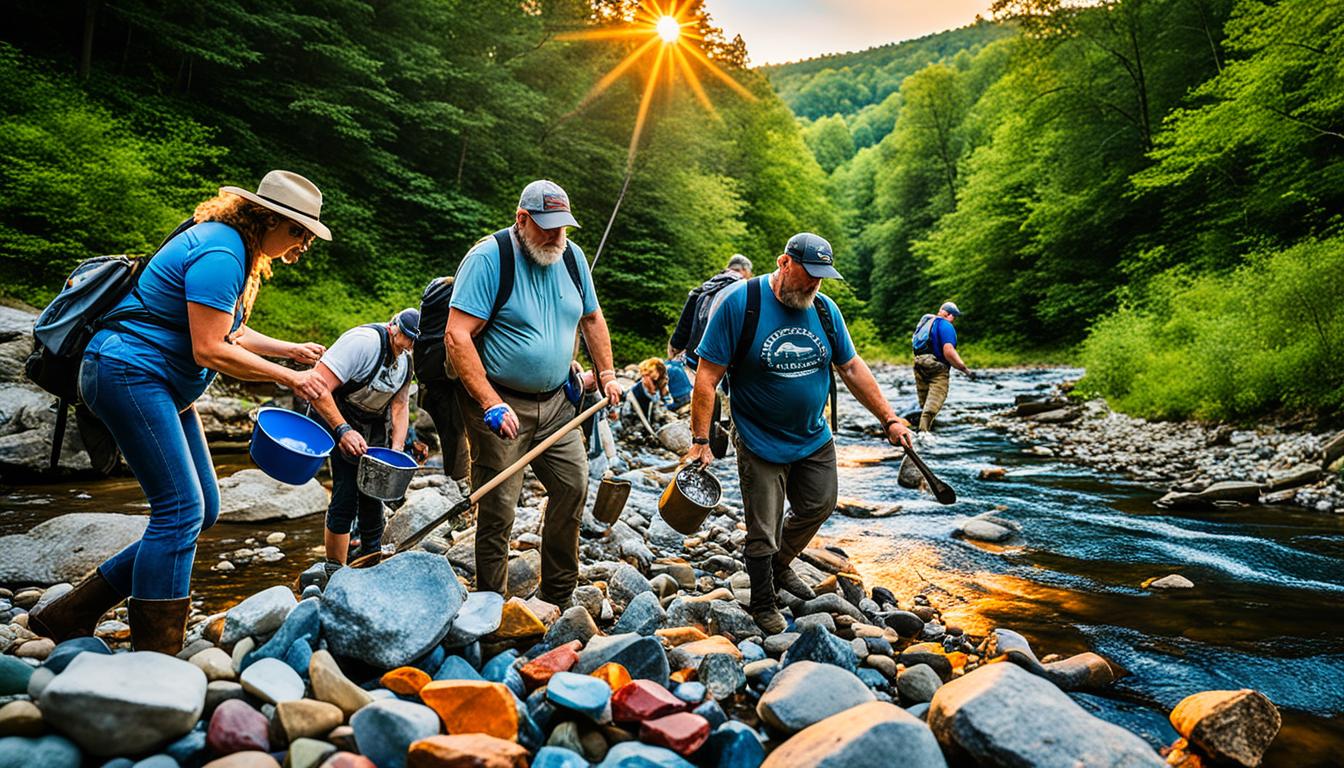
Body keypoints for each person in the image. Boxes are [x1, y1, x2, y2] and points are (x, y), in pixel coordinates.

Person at [28, 171, 332, 653]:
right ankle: (156, 653)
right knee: (180, 511)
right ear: (270, 219)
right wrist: (289, 378)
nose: (304, 244)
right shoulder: (221, 252)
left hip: (161, 383)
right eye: (299, 231)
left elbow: (227, 329)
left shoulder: (237, 251)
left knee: (204, 508)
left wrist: (289, 350)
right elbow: (210, 349)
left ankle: (70, 613)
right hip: (128, 371)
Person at [683, 232, 913, 634]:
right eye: (808, 275)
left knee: (820, 503)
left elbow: (853, 367)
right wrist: (701, 441)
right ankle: (762, 601)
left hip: (812, 434)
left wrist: (889, 419)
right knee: (763, 525)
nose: (813, 285)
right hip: (758, 436)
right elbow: (707, 378)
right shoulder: (742, 303)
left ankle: (779, 564)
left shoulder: (824, 310)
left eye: (821, 279)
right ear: (784, 263)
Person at [445, 179, 622, 605]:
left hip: (560, 402)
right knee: (498, 506)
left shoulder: (573, 259)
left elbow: (593, 319)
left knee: (573, 486)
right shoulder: (489, 259)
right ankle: (491, 601)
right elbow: (457, 335)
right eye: (547, 226)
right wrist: (489, 403)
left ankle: (558, 593)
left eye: (563, 226)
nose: (557, 236)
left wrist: (610, 374)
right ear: (521, 219)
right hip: (500, 403)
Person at [306, 309, 419, 568]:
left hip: (373, 424)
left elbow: (400, 406)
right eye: (408, 338)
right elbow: (318, 386)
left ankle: (371, 559)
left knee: (374, 494)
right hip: (337, 414)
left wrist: (397, 449)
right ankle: (334, 568)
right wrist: (343, 430)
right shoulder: (363, 343)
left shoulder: (406, 361)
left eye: (414, 342)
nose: (411, 346)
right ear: (394, 327)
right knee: (345, 493)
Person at [667, 253, 753, 366]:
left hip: (693, 356)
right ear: (744, 270)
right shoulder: (745, 290)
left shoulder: (706, 287)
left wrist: (676, 345)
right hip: (722, 362)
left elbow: (684, 323)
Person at [911, 301, 974, 433]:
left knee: (924, 401)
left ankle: (924, 428)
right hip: (937, 366)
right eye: (953, 316)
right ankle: (923, 434)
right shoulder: (946, 325)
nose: (953, 319)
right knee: (935, 400)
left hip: (919, 362)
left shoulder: (926, 323)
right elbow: (948, 351)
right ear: (947, 314)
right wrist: (965, 370)